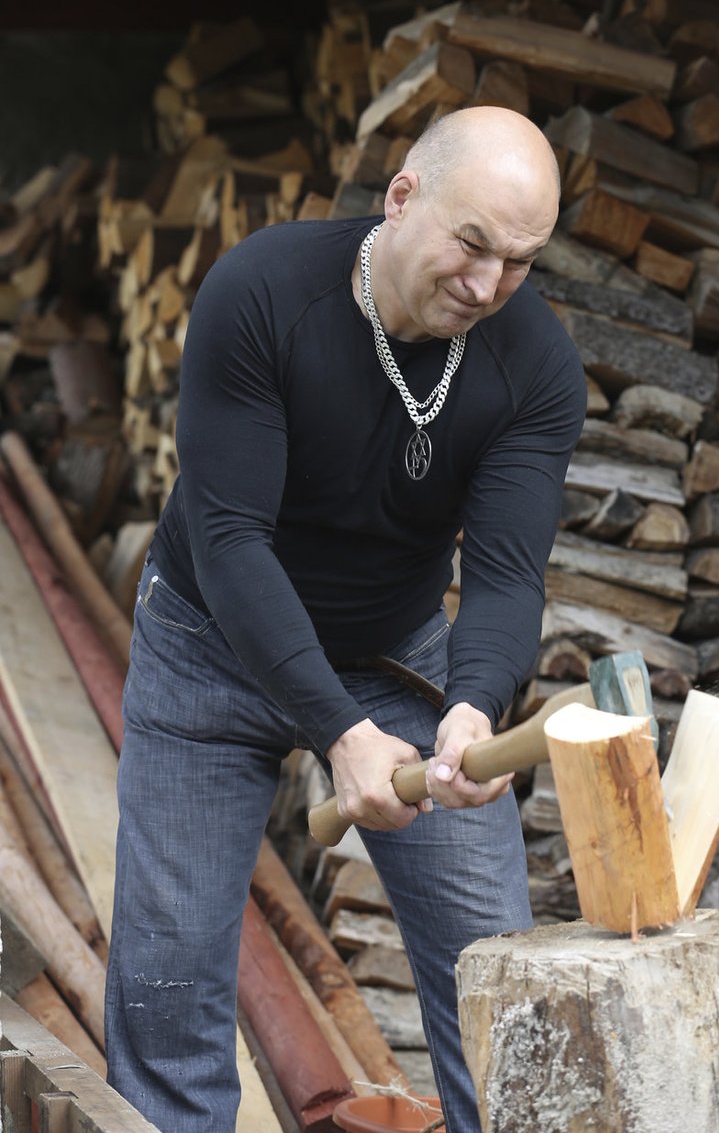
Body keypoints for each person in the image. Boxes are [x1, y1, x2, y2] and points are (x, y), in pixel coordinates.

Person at [104, 104, 587, 1133]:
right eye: (472, 244)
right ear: (402, 196)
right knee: (170, 984)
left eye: (519, 261)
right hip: (210, 642)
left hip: (393, 656)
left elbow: (504, 571)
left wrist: (472, 708)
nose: (489, 285)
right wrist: (336, 732)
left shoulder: (534, 366)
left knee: (498, 985)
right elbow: (232, 538)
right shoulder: (264, 292)